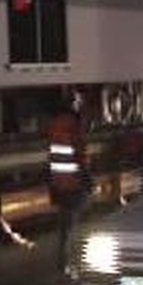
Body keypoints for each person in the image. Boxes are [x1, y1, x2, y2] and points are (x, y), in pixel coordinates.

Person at [49, 94, 92, 274]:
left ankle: (63, 261)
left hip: (58, 181)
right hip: (74, 183)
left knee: (64, 226)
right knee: (73, 224)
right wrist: (87, 178)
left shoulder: (55, 124)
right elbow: (79, 154)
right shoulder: (75, 126)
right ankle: (68, 262)